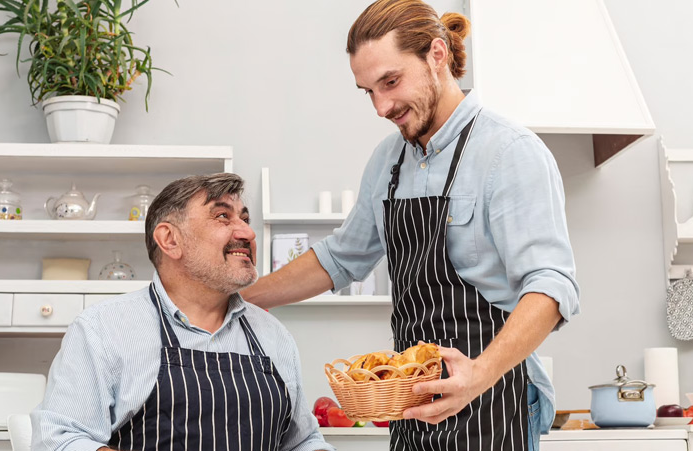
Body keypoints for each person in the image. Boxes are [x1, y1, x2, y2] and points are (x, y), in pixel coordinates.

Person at [241, 1, 580, 450]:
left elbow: (552, 286)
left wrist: (478, 374)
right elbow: (343, 256)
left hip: (492, 399)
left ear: (436, 55)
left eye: (391, 82)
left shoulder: (509, 152)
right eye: (369, 91)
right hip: (411, 404)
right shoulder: (388, 160)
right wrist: (237, 300)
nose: (382, 106)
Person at [31, 173, 334, 451]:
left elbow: (302, 441)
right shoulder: (103, 329)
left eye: (244, 218)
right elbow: (60, 439)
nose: (247, 232)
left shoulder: (273, 335)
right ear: (170, 240)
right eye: (222, 217)